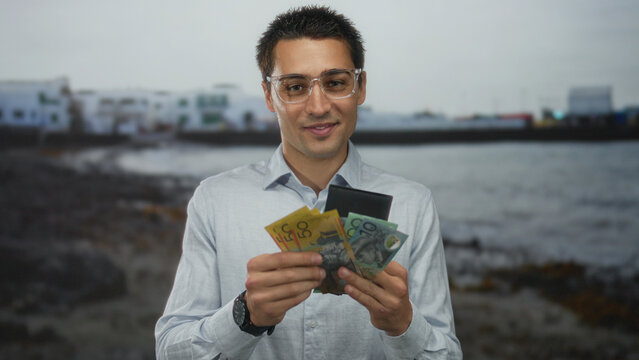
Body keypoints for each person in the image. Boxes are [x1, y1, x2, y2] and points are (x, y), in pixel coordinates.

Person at [155, 6, 462, 359]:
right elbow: (169, 351)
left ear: (360, 87)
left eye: (335, 83)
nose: (318, 106)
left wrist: (403, 325)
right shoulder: (215, 199)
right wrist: (244, 317)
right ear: (270, 96)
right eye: (295, 87)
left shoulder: (412, 203)